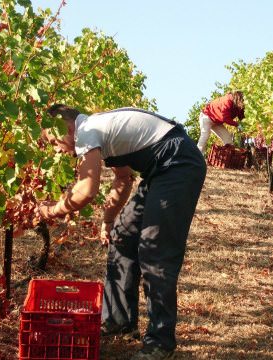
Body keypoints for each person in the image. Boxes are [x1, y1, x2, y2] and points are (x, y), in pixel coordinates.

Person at [36, 104, 206, 360]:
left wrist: (49, 211)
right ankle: (119, 320)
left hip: (178, 163)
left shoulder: (87, 131)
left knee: (155, 250)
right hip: (162, 167)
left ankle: (160, 342)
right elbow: (123, 178)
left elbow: (86, 190)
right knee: (123, 234)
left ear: (66, 127)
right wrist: (109, 220)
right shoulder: (99, 129)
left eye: (53, 140)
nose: (57, 149)